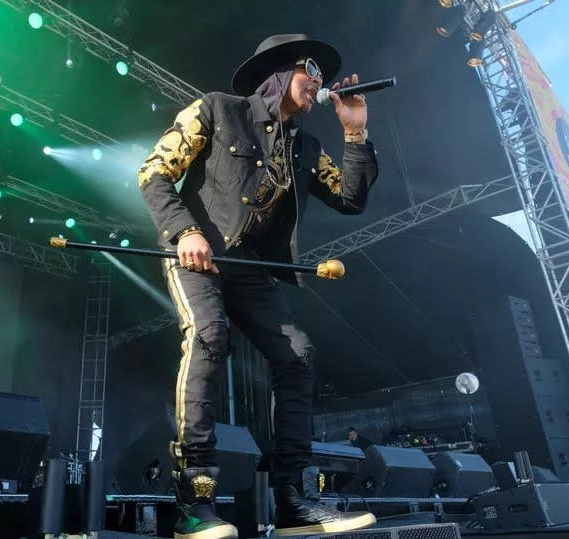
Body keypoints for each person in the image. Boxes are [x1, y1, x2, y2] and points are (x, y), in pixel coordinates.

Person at [138, 34, 379, 538]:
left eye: (322, 73)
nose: (319, 80)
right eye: (310, 68)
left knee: (298, 355)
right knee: (209, 336)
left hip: (252, 268)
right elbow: (154, 172)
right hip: (197, 254)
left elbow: (351, 198)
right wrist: (185, 231)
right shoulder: (216, 109)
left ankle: (293, 501)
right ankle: (195, 499)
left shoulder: (306, 147)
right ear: (278, 71)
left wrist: (355, 134)